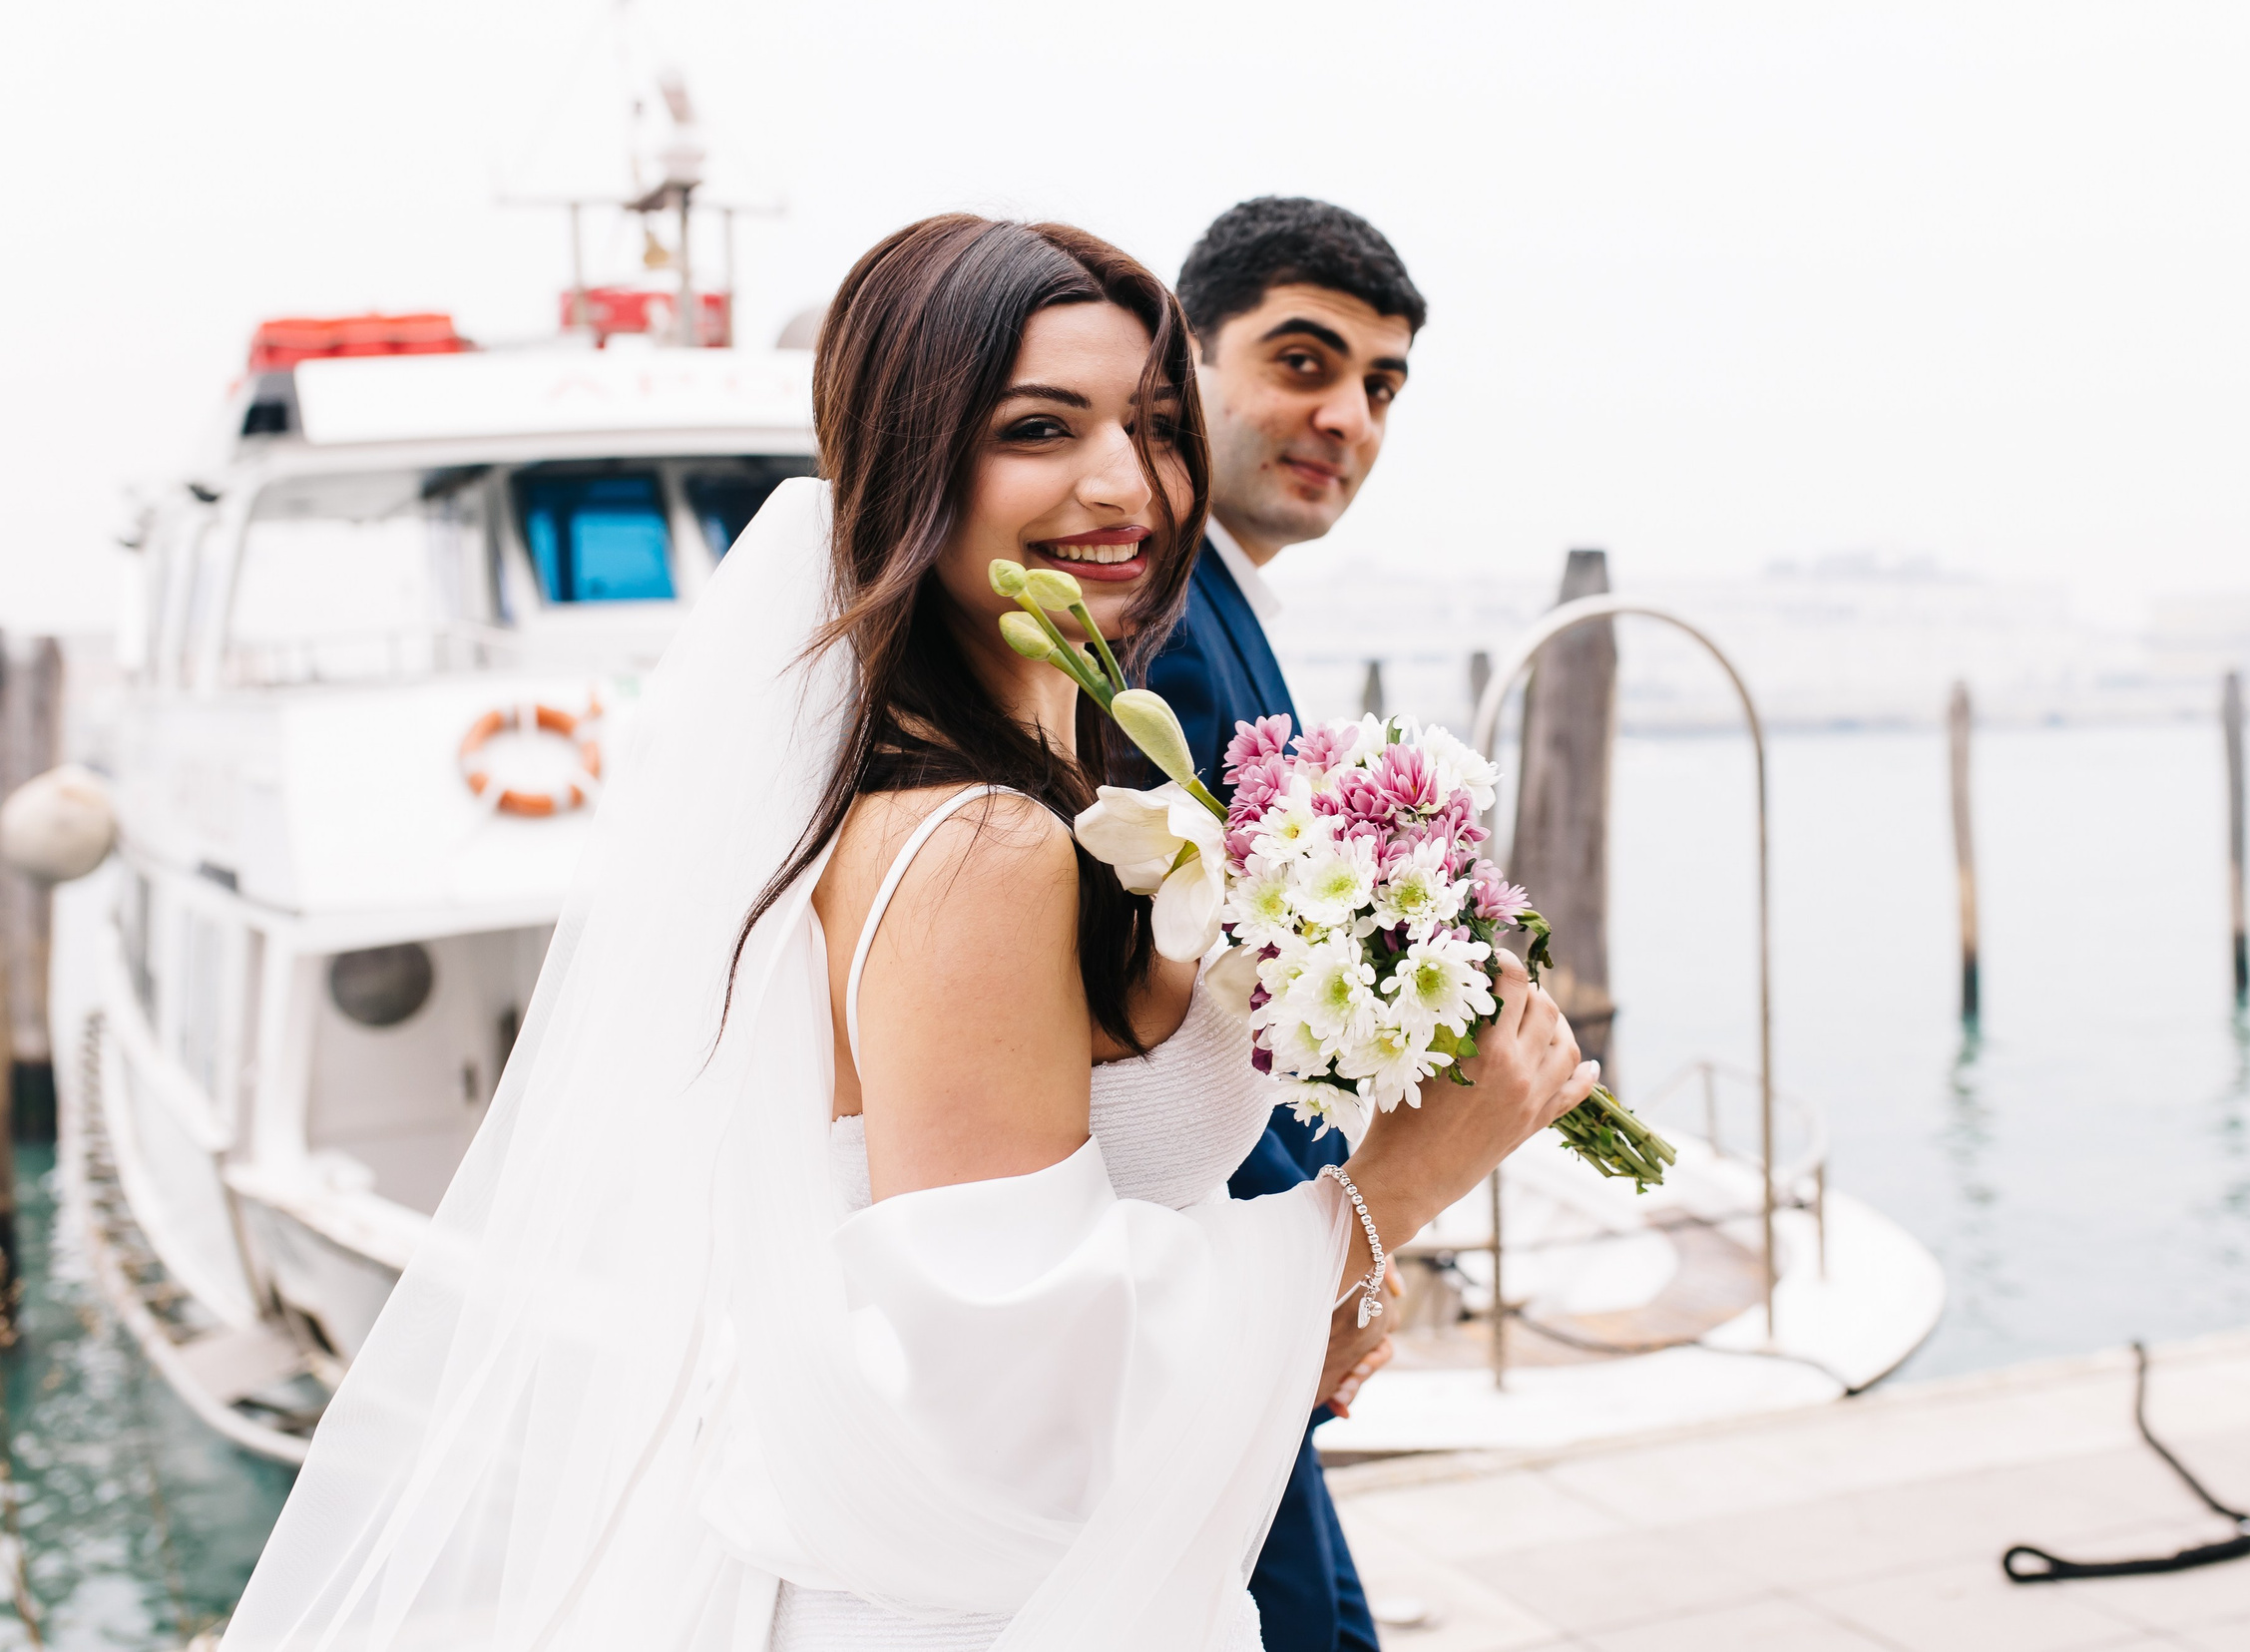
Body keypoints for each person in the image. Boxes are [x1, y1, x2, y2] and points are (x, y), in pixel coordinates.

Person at [221, 213, 1590, 1652]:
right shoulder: (976, 848)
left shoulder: (1064, 797)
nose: (1124, 484)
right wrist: (1396, 1189)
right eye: (1039, 429)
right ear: (912, 463)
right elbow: (1010, 1404)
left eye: (1153, 425)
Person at [1147, 197, 1427, 1652]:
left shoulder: (1216, 601)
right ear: (1183, 359)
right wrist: (1330, 1262)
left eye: (1380, 387)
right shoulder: (1169, 628)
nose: (1350, 417)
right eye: (1306, 363)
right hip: (1216, 1267)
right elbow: (1184, 1025)